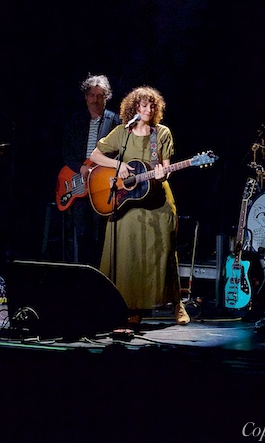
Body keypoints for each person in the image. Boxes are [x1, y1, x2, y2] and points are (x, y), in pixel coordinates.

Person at [89, 85, 189, 326]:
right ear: (134, 108)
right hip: (128, 202)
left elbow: (166, 169)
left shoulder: (161, 133)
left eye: (152, 106)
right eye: (144, 106)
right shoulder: (122, 133)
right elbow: (95, 156)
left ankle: (177, 304)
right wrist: (118, 166)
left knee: (164, 252)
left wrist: (162, 174)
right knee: (128, 253)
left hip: (157, 201)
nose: (148, 110)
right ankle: (132, 307)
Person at [60, 74, 121, 267]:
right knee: (82, 234)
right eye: (92, 95)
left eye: (100, 96)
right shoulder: (76, 121)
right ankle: (83, 275)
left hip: (102, 184)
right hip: (79, 182)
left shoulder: (115, 121)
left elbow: (120, 153)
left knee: (102, 234)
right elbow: (66, 152)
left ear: (107, 97)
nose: (95, 100)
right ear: (86, 96)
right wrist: (81, 167)